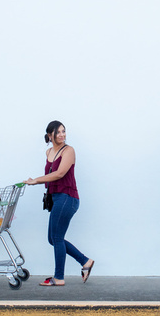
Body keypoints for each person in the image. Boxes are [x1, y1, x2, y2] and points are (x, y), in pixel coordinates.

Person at [25, 120, 95, 286]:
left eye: (64, 131)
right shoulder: (49, 152)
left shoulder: (69, 151)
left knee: (56, 237)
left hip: (67, 197)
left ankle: (59, 277)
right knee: (53, 238)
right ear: (50, 135)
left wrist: (36, 181)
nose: (62, 134)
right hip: (56, 198)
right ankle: (85, 261)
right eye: (58, 132)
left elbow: (59, 173)